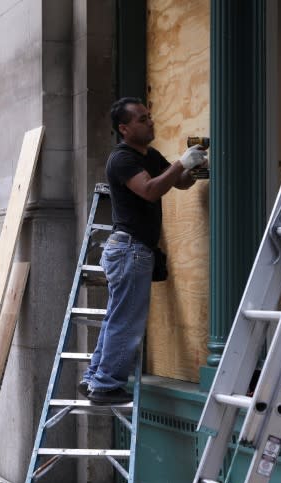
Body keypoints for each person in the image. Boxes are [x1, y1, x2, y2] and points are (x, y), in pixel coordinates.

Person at [80, 97, 208, 405]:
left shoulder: (149, 155)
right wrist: (181, 162)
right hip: (129, 250)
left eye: (149, 116)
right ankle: (106, 386)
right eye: (141, 119)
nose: (149, 121)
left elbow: (178, 183)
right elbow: (150, 191)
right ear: (124, 128)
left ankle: (94, 378)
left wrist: (194, 169)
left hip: (132, 251)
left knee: (117, 318)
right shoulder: (122, 159)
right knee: (127, 321)